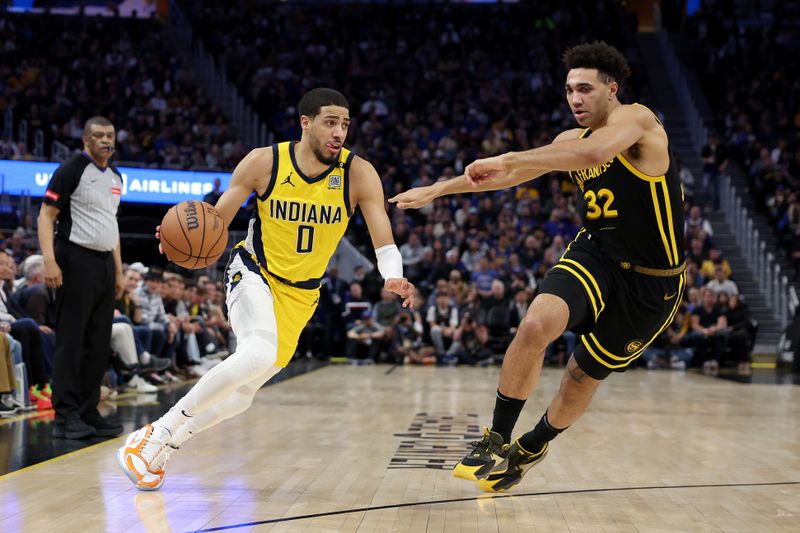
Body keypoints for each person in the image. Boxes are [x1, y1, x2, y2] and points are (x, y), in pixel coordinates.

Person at [391, 42, 686, 492]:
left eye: (585, 89)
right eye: (569, 90)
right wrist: (437, 189)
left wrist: (509, 157)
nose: (575, 99)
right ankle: (495, 437)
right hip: (597, 254)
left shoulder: (639, 120)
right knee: (535, 324)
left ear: (612, 89)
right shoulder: (567, 141)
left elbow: (593, 155)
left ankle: (532, 445)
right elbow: (507, 176)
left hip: (652, 282)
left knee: (580, 376)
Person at [117, 88, 415, 491]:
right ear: (305, 122)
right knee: (257, 352)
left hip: (303, 293)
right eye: (330, 122)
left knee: (241, 397)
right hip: (254, 270)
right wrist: (178, 237)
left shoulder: (358, 173)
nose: (339, 132)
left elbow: (383, 240)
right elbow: (215, 224)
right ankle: (155, 433)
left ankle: (165, 447)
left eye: (345, 124)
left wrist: (391, 275)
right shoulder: (264, 162)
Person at [38, 116, 125, 439]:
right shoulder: (72, 168)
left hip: (104, 264)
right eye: (99, 135)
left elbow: (112, 226)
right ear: (86, 140)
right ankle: (65, 415)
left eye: (110, 135)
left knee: (99, 343)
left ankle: (88, 410)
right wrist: (49, 260)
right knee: (71, 340)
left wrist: (118, 271)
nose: (106, 140)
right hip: (74, 258)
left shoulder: (116, 175)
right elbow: (46, 215)